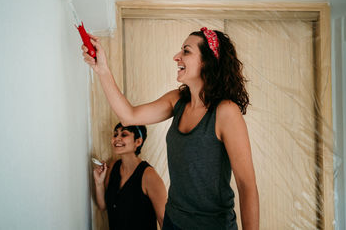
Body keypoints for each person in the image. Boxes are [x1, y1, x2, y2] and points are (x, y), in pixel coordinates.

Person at [84, 27, 259, 230]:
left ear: (207, 61)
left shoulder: (226, 112)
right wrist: (102, 70)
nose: (177, 57)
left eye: (186, 51)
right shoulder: (176, 101)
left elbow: (246, 186)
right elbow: (128, 116)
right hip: (173, 222)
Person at [93, 123, 167, 230]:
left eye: (124, 134)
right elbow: (103, 206)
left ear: (138, 141)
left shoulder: (149, 176)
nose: (117, 138)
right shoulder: (113, 167)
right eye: (115, 134)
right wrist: (99, 183)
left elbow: (164, 220)